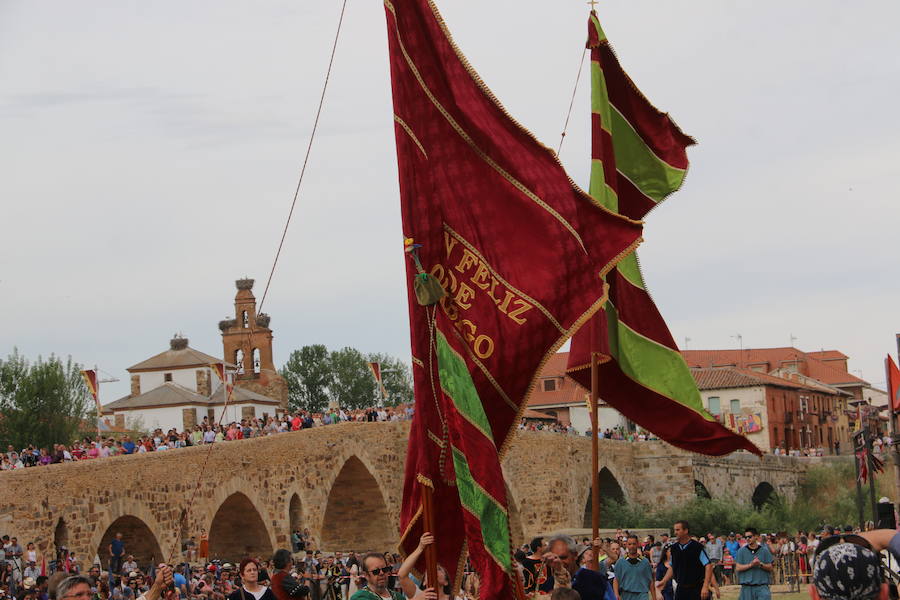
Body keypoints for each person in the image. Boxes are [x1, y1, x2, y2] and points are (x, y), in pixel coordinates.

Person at [656, 521, 712, 600]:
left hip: (697, 588)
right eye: (675, 530)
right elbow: (672, 567)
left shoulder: (697, 547)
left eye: (678, 530)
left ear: (686, 531)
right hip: (681, 590)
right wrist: (664, 581)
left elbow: (708, 565)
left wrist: (705, 586)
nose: (675, 532)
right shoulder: (674, 548)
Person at [734, 529, 772, 600]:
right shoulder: (741, 551)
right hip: (747, 588)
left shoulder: (764, 551)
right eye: (746, 537)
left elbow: (770, 567)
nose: (747, 539)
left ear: (756, 537)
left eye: (750, 537)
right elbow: (738, 567)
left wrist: (760, 564)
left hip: (762, 587)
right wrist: (751, 565)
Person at [614, 535, 655, 600]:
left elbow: (650, 581)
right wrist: (616, 594)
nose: (632, 546)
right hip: (626, 595)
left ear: (638, 544)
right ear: (626, 545)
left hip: (642, 594)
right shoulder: (620, 562)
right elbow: (616, 579)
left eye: (634, 544)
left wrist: (654, 597)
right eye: (629, 544)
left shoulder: (645, 562)